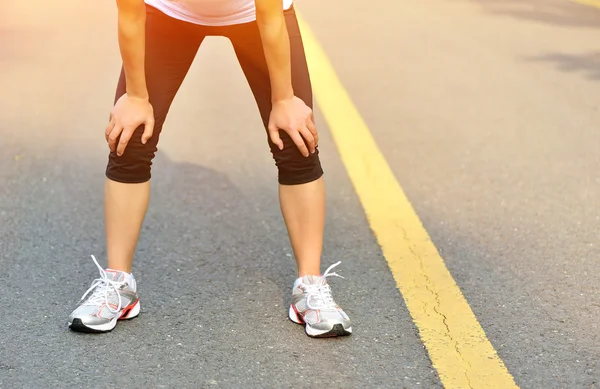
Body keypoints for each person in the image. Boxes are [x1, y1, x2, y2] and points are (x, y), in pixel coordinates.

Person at [68, 0, 352, 338]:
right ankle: (118, 284)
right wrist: (136, 97)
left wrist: (284, 100)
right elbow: (130, 14)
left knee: (294, 140)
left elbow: (270, 17)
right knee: (130, 140)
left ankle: (310, 285)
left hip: (254, 13)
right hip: (168, 13)